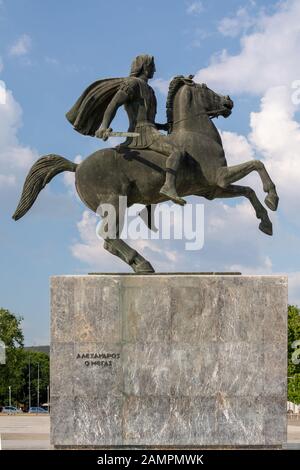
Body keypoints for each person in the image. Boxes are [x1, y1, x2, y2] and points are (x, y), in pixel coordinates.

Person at [66, 54, 186, 205]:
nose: (155, 70)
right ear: (144, 67)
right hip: (143, 134)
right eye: (152, 66)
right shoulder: (132, 84)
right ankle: (168, 186)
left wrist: (162, 126)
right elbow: (114, 104)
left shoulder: (150, 89)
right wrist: (104, 126)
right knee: (176, 152)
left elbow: (149, 120)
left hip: (150, 130)